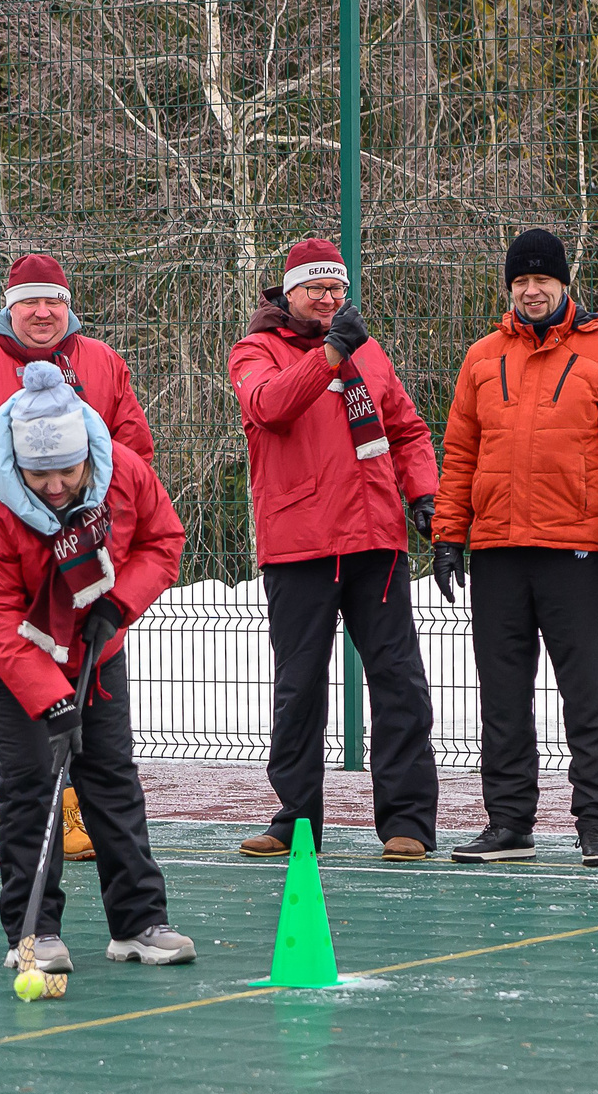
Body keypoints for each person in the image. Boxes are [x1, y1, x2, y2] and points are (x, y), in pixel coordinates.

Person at [0, 362, 192, 972]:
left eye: (67, 471)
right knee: (32, 777)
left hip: (91, 640)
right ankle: (34, 934)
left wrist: (119, 602)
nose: (55, 485)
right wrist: (51, 699)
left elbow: (164, 540)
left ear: (89, 456)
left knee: (109, 774)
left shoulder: (125, 474)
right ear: (17, 464)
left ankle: (138, 923)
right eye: (39, 473)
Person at [0, 254, 155, 867]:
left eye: (53, 299)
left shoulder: (102, 363)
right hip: (1, 558)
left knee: (79, 677)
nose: (43, 312)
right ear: (9, 305)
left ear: (67, 304)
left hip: (80, 558)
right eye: (30, 301)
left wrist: (100, 530)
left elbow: (131, 453)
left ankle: (71, 806)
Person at [429, 228, 598, 869]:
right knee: (502, 695)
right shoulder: (481, 357)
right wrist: (449, 535)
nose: (532, 291)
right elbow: (460, 454)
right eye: (521, 282)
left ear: (565, 285)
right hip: (498, 549)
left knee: (588, 692)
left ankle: (597, 824)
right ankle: (508, 825)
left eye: (543, 281)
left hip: (577, 549)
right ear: (510, 288)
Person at [228, 238, 441, 860]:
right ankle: (296, 819)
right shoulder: (254, 350)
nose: (327, 299)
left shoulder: (369, 353)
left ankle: (407, 823)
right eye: (315, 289)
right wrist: (328, 355)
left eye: (336, 289)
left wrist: (424, 495)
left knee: (399, 681)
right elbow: (268, 407)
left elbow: (407, 429)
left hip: (376, 541)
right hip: (299, 545)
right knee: (300, 687)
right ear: (287, 293)